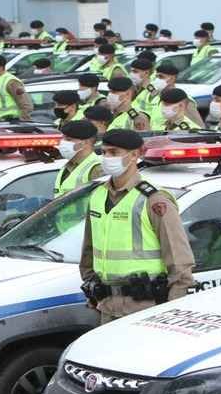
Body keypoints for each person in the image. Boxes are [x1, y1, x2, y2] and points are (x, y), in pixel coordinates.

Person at [80, 129, 195, 324]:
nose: (107, 157)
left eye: (114, 152)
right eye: (104, 152)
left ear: (134, 155)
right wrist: (91, 287)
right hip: (107, 307)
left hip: (145, 309)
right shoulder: (98, 196)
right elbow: (89, 252)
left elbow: (179, 261)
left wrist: (173, 311)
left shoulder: (153, 200)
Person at [138, 62, 204, 129]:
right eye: (156, 77)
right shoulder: (157, 97)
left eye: (161, 77)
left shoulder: (182, 100)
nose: (157, 80)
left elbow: (199, 127)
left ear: (172, 78)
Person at [54, 120, 102, 197]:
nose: (62, 142)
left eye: (69, 139)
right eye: (62, 138)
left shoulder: (97, 168)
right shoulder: (67, 167)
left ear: (86, 142)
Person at [0, 54, 33, 121]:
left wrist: (23, 122)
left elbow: (25, 104)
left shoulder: (11, 81)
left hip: (10, 122)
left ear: (1, 67)